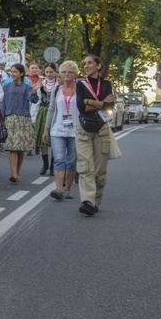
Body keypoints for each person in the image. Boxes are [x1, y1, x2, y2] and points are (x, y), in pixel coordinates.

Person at [75, 54, 115, 216]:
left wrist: (89, 101)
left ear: (99, 66)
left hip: (102, 130)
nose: (86, 65)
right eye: (84, 63)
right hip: (84, 128)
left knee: (99, 171)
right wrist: (99, 103)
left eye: (90, 63)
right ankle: (87, 201)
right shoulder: (81, 84)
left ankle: (95, 201)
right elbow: (80, 108)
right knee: (85, 167)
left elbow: (109, 106)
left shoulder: (106, 84)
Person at [43, 60, 80, 200]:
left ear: (75, 74)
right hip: (57, 130)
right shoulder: (57, 90)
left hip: (75, 130)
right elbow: (51, 110)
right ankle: (58, 189)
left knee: (71, 161)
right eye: (64, 72)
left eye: (70, 72)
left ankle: (68, 189)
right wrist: (46, 129)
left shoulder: (80, 90)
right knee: (59, 159)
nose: (66, 74)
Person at [0, 63, 35, 183]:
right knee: (12, 147)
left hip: (23, 118)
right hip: (10, 118)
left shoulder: (27, 87)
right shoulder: (6, 86)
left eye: (15, 72)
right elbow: (2, 103)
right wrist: (2, 118)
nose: (13, 74)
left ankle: (17, 173)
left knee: (21, 148)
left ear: (21, 73)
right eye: (11, 72)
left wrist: (35, 91)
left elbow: (33, 99)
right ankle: (13, 174)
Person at [31, 63, 58, 175]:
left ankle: (52, 165)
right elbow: (35, 101)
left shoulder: (59, 84)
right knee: (43, 140)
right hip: (42, 111)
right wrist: (33, 116)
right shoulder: (41, 84)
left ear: (55, 72)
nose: (49, 74)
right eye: (47, 72)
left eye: (51, 72)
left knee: (54, 140)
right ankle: (45, 163)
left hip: (55, 112)